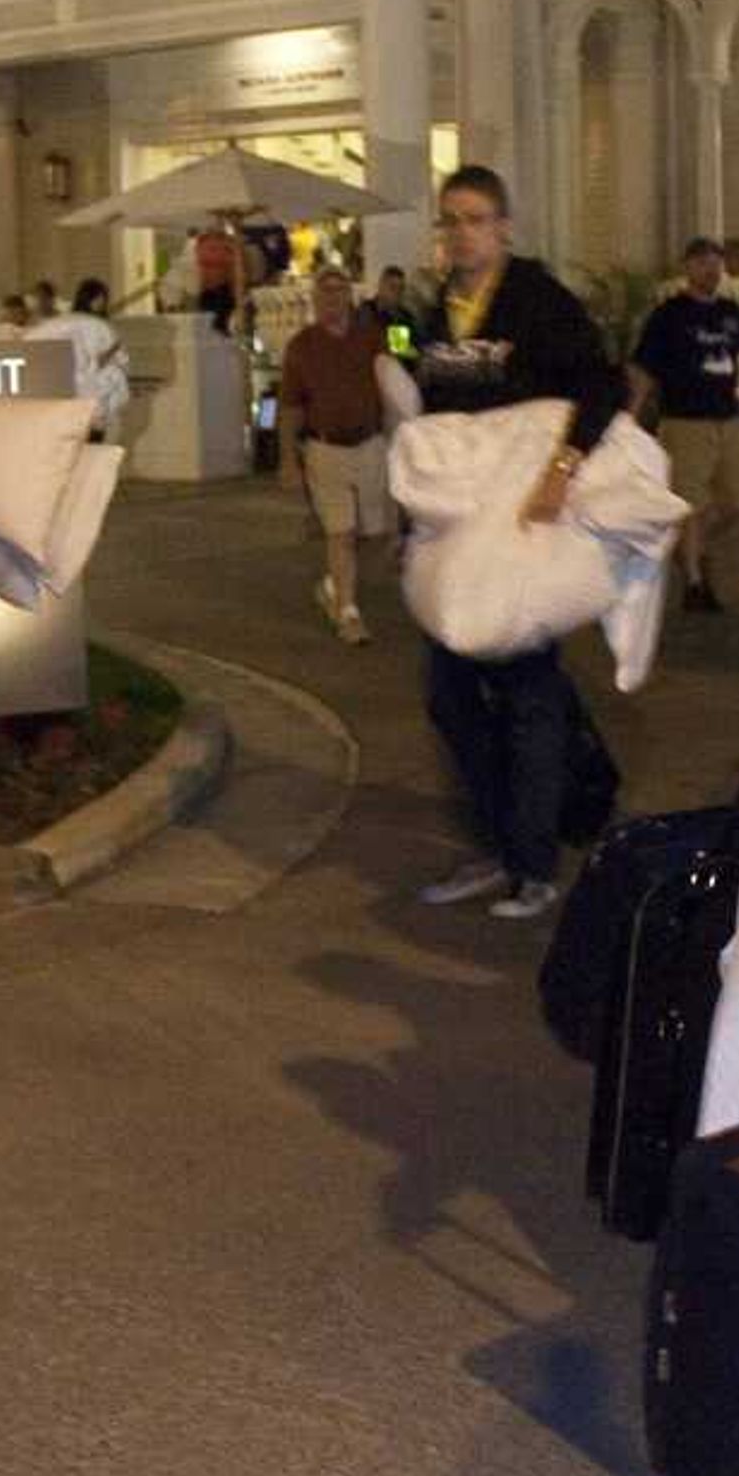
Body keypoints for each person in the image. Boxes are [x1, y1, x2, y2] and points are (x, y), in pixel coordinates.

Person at [411, 164, 625, 922]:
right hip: (457, 533)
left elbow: (603, 386)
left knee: (529, 689)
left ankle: (532, 864)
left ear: (503, 226)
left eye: (474, 218)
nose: (460, 232)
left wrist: (562, 469)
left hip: (523, 525)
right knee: (452, 695)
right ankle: (500, 842)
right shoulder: (440, 309)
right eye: (450, 220)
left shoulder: (538, 300)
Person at [630, 238, 739, 614]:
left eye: (716, 262)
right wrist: (632, 416)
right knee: (690, 503)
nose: (711, 269)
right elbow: (644, 369)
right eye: (702, 262)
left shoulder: (733, 313)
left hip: (732, 419)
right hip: (686, 420)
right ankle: (694, 582)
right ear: (687, 267)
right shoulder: (669, 315)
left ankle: (690, 547)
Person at [275, 265, 393, 645]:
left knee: (374, 532)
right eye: (324, 291)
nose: (332, 298)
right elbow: (290, 407)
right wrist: (288, 459)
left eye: (339, 290)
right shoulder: (301, 346)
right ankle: (347, 612)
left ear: (350, 297)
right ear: (314, 299)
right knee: (340, 532)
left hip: (372, 445)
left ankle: (333, 583)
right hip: (325, 448)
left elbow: (396, 382)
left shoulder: (373, 338)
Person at [26, 275, 132, 437]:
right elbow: (114, 362)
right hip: (90, 402)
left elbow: (28, 347)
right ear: (98, 300)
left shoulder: (54, 324)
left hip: (57, 400)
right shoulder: (100, 327)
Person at [189, 215, 245, 333]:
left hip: (222, 292)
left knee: (216, 329)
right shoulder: (205, 243)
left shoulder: (228, 244)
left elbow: (236, 271)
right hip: (212, 292)